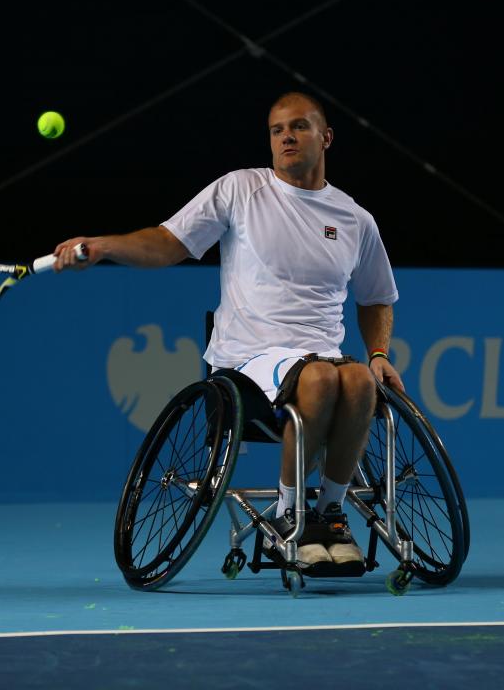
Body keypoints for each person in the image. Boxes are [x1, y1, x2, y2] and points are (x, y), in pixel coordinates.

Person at [52, 91, 404, 568]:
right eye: (277, 130)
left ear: (327, 137)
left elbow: (377, 295)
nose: (286, 138)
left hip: (322, 355)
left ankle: (330, 513)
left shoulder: (355, 218)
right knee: (320, 378)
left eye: (298, 127)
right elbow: (167, 243)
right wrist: (105, 246)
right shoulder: (240, 190)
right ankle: (289, 517)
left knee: (360, 378)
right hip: (247, 360)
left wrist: (379, 351)